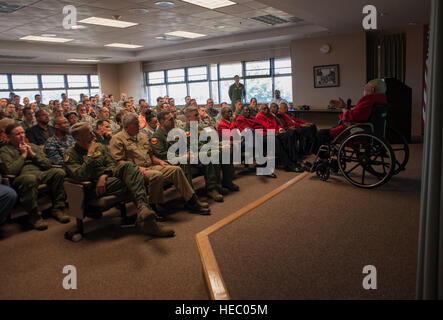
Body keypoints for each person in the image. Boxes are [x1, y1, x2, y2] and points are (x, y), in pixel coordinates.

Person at [64, 122, 174, 237]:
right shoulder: (70, 155)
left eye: (92, 131)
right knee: (135, 179)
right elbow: (81, 175)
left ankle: (143, 210)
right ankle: (148, 221)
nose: (93, 134)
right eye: (89, 133)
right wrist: (90, 155)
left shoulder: (99, 146)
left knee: (128, 166)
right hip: (93, 187)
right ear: (78, 138)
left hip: (108, 179)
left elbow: (112, 164)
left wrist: (104, 175)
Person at [109, 113, 210, 217]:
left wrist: (160, 162)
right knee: (156, 175)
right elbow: (119, 162)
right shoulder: (117, 139)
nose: (139, 126)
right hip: (135, 171)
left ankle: (191, 202)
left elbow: (151, 155)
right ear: (126, 127)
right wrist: (138, 168)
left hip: (150, 165)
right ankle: (153, 208)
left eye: (138, 123)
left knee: (176, 170)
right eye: (135, 124)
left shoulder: (142, 136)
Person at [0, 123, 69, 230]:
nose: (22, 136)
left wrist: (32, 154)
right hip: (22, 177)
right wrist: (23, 156)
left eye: (22, 132)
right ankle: (35, 217)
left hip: (40, 173)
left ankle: (57, 209)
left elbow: (47, 164)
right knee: (30, 179)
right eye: (17, 134)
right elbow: (11, 171)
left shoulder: (32, 146)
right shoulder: (5, 151)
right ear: (9, 137)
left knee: (58, 172)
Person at [150, 109, 224, 202]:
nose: (174, 121)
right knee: (185, 161)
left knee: (208, 156)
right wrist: (183, 156)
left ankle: (212, 188)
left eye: (173, 119)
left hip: (186, 156)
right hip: (170, 161)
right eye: (171, 120)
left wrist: (188, 152)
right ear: (162, 122)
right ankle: (191, 197)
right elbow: (162, 155)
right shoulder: (156, 137)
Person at [318, 79, 388, 147]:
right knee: (332, 128)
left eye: (366, 87)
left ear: (373, 89)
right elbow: (361, 110)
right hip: (374, 131)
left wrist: (343, 108)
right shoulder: (381, 100)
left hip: (359, 131)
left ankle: (321, 156)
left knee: (321, 133)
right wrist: (345, 106)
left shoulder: (369, 99)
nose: (364, 89)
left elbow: (353, 117)